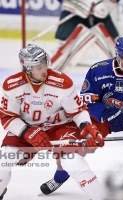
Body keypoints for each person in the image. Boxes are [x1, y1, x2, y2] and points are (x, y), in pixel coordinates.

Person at [40, 36, 123, 198]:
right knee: (80, 143)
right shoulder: (98, 70)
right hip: (104, 116)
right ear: (118, 56)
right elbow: (87, 99)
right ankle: (59, 177)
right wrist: (105, 115)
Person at [0, 44, 106, 200]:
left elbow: (77, 111)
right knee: (4, 159)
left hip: (60, 126)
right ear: (27, 69)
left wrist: (87, 126)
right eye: (38, 67)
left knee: (73, 162)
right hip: (27, 128)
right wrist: (26, 132)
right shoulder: (12, 85)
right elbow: (7, 117)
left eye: (44, 64)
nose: (44, 70)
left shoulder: (62, 83)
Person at [51, 0, 120, 72]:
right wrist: (74, 2)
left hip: (100, 18)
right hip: (74, 17)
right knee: (62, 52)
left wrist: (109, 3)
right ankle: (48, 77)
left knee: (116, 53)